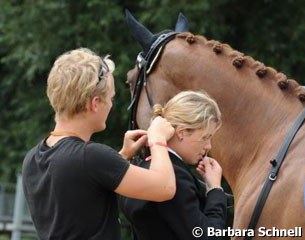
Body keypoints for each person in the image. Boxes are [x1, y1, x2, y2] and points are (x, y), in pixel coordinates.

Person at [22, 48, 176, 240]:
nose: (111, 105)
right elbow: (164, 188)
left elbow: (82, 183)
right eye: (110, 98)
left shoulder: (32, 158)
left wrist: (121, 157)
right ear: (95, 103)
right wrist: (158, 139)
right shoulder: (90, 157)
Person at [120, 91, 227, 240]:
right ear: (181, 132)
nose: (209, 146)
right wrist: (215, 191)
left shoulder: (142, 166)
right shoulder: (176, 177)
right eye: (205, 137)